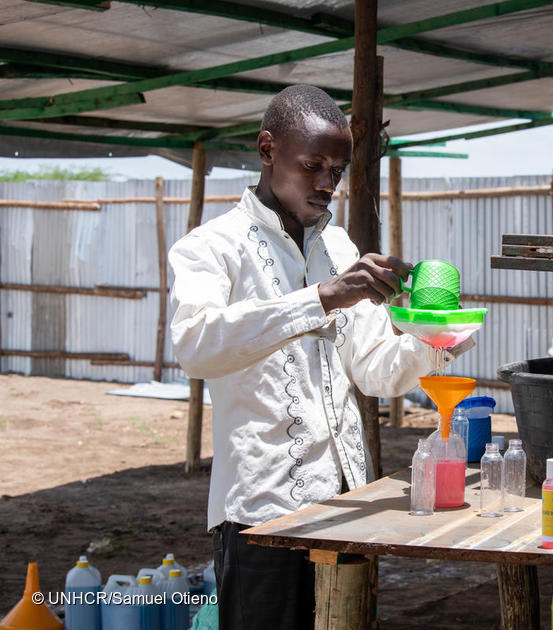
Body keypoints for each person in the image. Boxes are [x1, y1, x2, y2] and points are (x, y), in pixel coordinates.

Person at [168, 85, 463, 629]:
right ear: (266, 150)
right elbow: (195, 345)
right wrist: (322, 297)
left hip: (347, 506)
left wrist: (432, 339)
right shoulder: (211, 247)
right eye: (313, 166)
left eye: (338, 169)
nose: (328, 184)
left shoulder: (340, 250)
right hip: (262, 513)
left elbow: (372, 367)